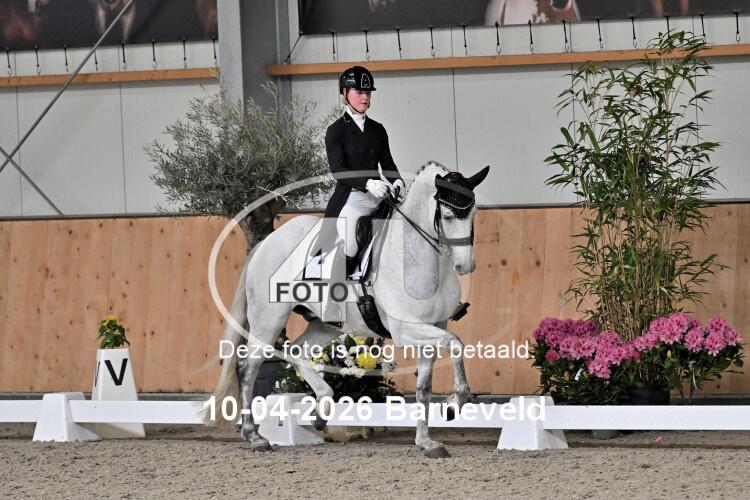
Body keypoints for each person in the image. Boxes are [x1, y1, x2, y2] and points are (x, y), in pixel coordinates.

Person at [322, 65, 405, 277]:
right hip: (352, 199)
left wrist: (397, 181)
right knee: (350, 244)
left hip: (380, 197)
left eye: (367, 92)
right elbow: (338, 170)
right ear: (345, 94)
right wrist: (367, 183)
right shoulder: (335, 131)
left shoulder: (378, 129)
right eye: (359, 92)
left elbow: (387, 164)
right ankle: (338, 287)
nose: (365, 97)